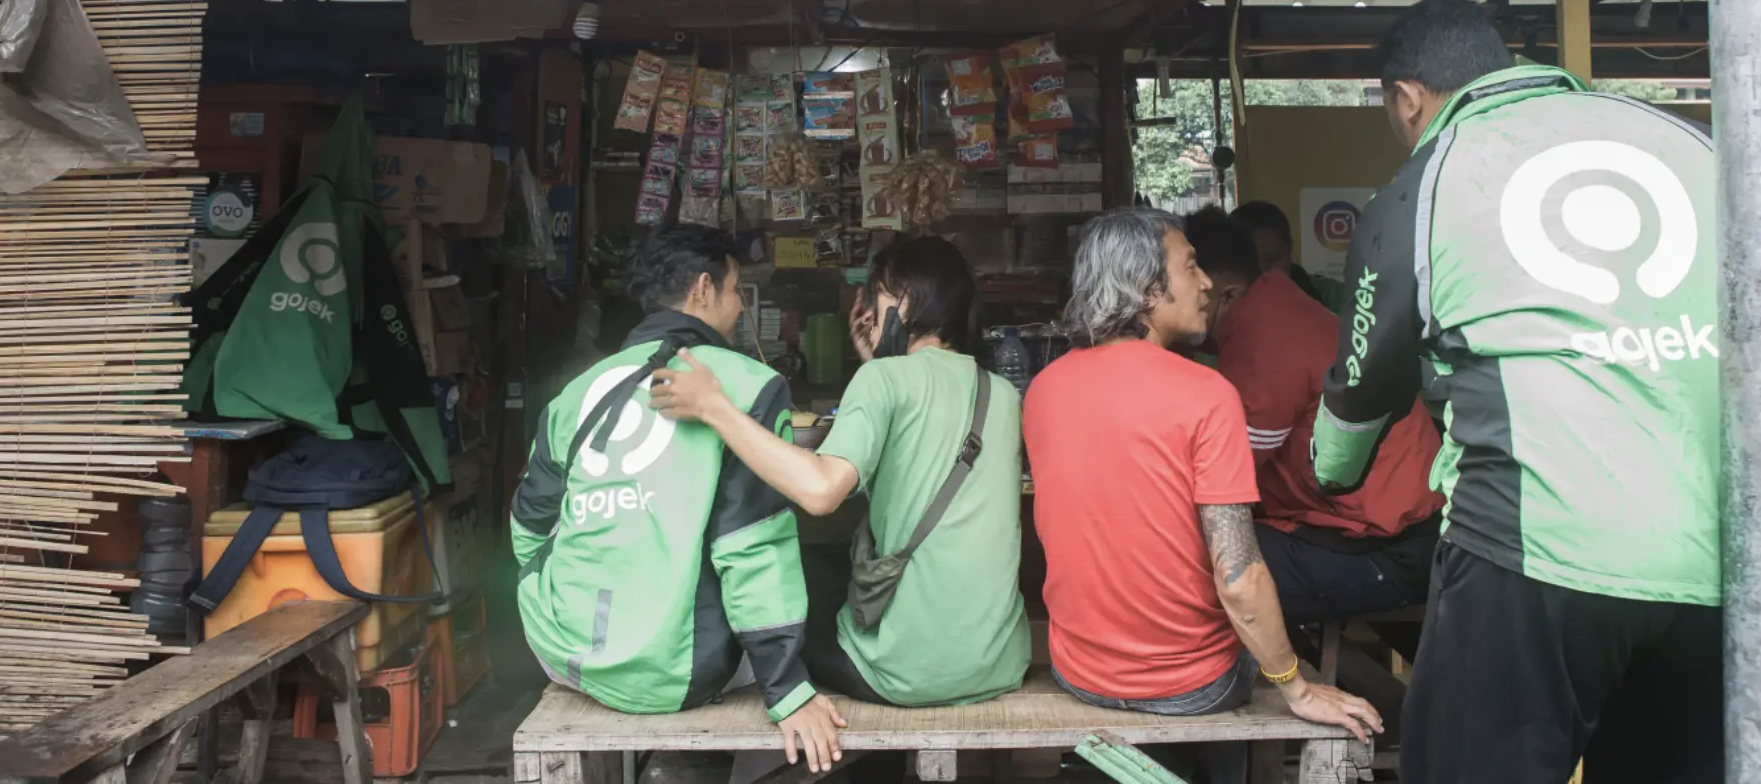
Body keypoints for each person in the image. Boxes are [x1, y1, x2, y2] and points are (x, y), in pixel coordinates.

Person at [1311, 0, 1761, 784]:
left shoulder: (1418, 189)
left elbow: (1362, 389)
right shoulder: (1689, 141)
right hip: (1721, 558)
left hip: (1531, 559)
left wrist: (1330, 469)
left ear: (1407, 98)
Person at [1024, 206, 1381, 784]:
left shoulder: (1043, 390)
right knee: (1245, 657)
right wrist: (1293, 684)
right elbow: (1237, 578)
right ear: (1146, 290)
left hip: (1080, 672)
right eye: (1190, 268)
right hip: (1193, 686)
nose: (1208, 283)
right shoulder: (1206, 394)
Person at [510, 226, 846, 772]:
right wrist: (787, 692)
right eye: (736, 292)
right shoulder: (748, 384)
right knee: (821, 586)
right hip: (679, 673)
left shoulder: (576, 391)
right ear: (702, 289)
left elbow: (527, 528)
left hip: (563, 651)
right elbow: (752, 545)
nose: (738, 308)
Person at [650, 235, 1030, 709]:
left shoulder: (885, 381)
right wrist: (879, 368)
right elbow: (918, 450)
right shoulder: (1003, 392)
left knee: (788, 574)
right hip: (997, 663)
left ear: (907, 301)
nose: (870, 311)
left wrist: (713, 406)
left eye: (877, 296)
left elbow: (822, 492)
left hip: (905, 673)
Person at [1182, 208, 1441, 625]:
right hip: (1387, 531)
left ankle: (1248, 685)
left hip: (1385, 550)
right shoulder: (1274, 303)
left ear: (1223, 292)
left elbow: (1225, 486)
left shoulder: (1265, 339)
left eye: (1176, 279)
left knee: (1181, 562)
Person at [1229, 200, 1337, 310]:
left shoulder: (1335, 299)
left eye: (1271, 259)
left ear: (1289, 247)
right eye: (1250, 263)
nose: (1262, 272)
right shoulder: (1217, 308)